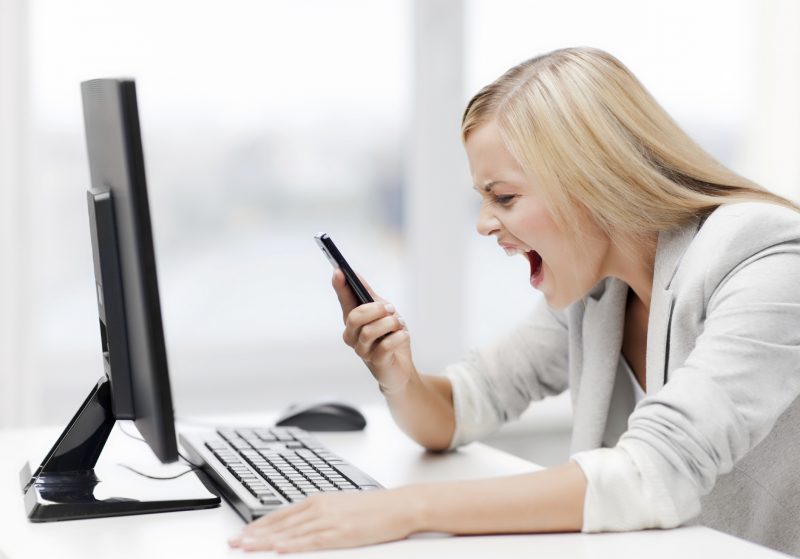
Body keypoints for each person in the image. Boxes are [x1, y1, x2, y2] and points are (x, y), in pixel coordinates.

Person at [229, 47, 800, 555]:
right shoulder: (599, 288)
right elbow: (459, 412)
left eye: (503, 197)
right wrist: (397, 372)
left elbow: (656, 471)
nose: (483, 224)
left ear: (593, 179)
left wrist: (403, 510)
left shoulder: (764, 257)